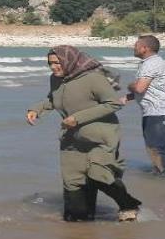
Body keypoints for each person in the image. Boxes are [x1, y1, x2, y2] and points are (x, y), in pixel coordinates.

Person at [27, 45, 142, 222]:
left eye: (57, 63)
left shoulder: (93, 79)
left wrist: (77, 118)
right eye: (50, 63)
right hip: (72, 140)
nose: (53, 67)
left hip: (100, 136)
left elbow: (113, 104)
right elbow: (52, 98)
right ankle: (84, 229)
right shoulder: (56, 79)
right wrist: (37, 109)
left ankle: (128, 204)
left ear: (69, 61)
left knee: (98, 175)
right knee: (75, 206)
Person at [123, 35, 165, 176]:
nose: (133, 48)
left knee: (156, 147)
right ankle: (160, 174)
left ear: (145, 48)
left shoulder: (151, 64)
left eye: (136, 45)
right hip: (152, 110)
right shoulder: (148, 63)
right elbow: (150, 89)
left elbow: (140, 88)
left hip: (159, 110)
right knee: (151, 146)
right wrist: (128, 97)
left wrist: (130, 86)